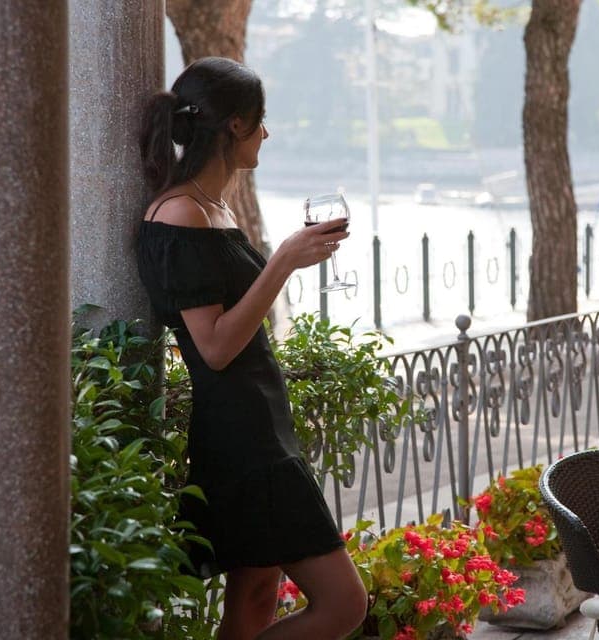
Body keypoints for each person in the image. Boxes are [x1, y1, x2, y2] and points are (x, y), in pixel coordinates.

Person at [135, 57, 367, 640]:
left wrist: (285, 260)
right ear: (236, 126)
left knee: (257, 593)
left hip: (259, 423)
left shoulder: (214, 208)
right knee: (344, 604)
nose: (268, 133)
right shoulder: (180, 212)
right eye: (262, 121)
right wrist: (285, 260)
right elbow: (213, 348)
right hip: (242, 437)